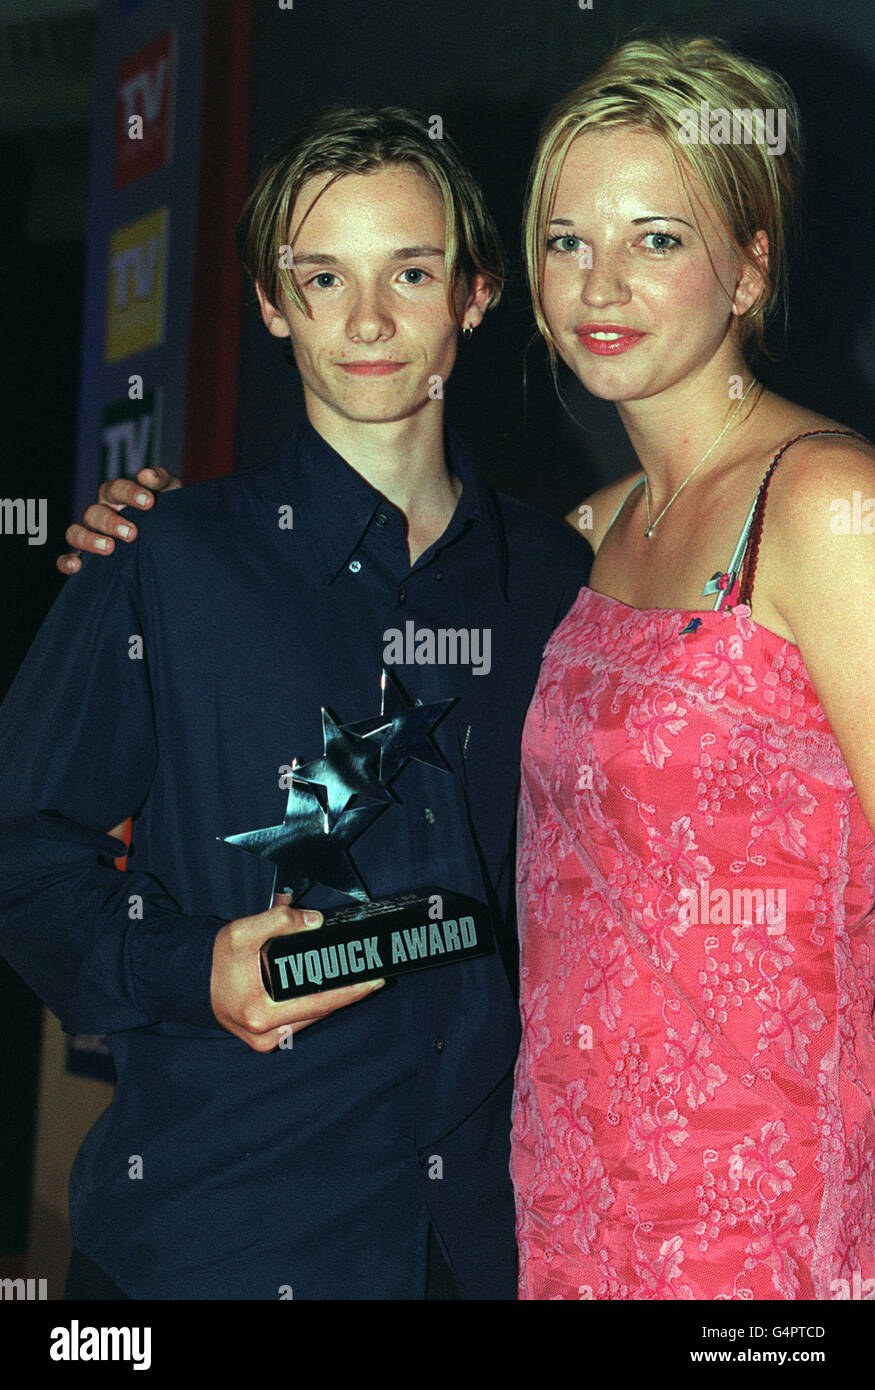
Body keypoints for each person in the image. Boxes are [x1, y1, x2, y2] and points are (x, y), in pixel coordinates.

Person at [0, 106, 592, 1300]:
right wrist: (188, 967)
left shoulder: (558, 578)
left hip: (481, 1246)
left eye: (409, 272)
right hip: (217, 1244)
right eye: (322, 277)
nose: (367, 320)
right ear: (273, 305)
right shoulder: (163, 560)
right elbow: (21, 851)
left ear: (475, 292)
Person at [511, 35, 875, 1299]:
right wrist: (148, 537)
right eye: (566, 240)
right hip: (569, 1199)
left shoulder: (824, 502)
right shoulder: (588, 528)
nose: (598, 282)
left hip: (763, 1227)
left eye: (656, 239)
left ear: (748, 266)